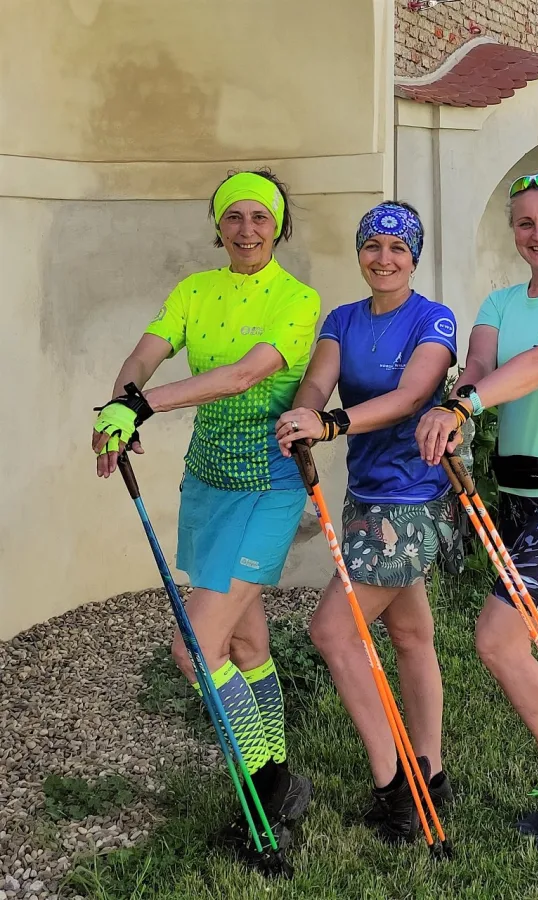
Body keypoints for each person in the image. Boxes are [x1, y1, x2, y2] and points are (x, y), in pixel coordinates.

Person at [91, 169, 319, 853]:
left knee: (193, 649)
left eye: (260, 216)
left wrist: (143, 406)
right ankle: (279, 785)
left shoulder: (297, 298)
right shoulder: (194, 290)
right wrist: (119, 406)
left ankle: (268, 788)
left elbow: (244, 375)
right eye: (233, 217)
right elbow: (146, 352)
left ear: (278, 226)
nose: (246, 229)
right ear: (217, 225)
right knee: (244, 646)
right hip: (208, 484)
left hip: (267, 487)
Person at [416, 173, 538, 854]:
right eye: (525, 223)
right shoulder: (500, 301)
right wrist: (459, 401)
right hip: (517, 498)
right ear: (513, 231)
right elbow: (478, 363)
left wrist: (466, 404)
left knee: (498, 640)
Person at [275, 202, 462, 844]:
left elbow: (411, 398)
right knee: (409, 634)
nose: (384, 259)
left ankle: (396, 788)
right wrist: (301, 415)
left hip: (412, 498)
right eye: (372, 246)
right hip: (366, 495)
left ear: (415, 257)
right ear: (360, 252)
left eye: (397, 248)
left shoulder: (433, 319)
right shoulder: (343, 319)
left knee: (331, 631)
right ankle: (432, 774)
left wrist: (330, 424)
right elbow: (316, 384)